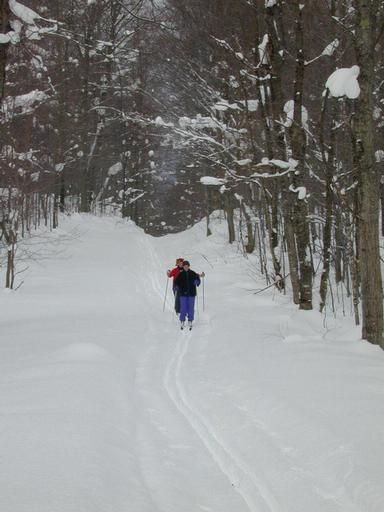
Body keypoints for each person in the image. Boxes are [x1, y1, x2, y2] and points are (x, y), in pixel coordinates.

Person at [174, 260, 205, 330]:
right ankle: (182, 320)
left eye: (187, 266)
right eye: (185, 266)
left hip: (191, 294)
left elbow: (198, 280)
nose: (186, 267)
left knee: (191, 307)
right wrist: (176, 286)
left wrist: (197, 282)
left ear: (189, 266)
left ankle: (190, 320)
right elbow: (176, 282)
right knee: (183, 307)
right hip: (182, 294)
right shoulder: (180, 274)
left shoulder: (193, 273)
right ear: (183, 266)